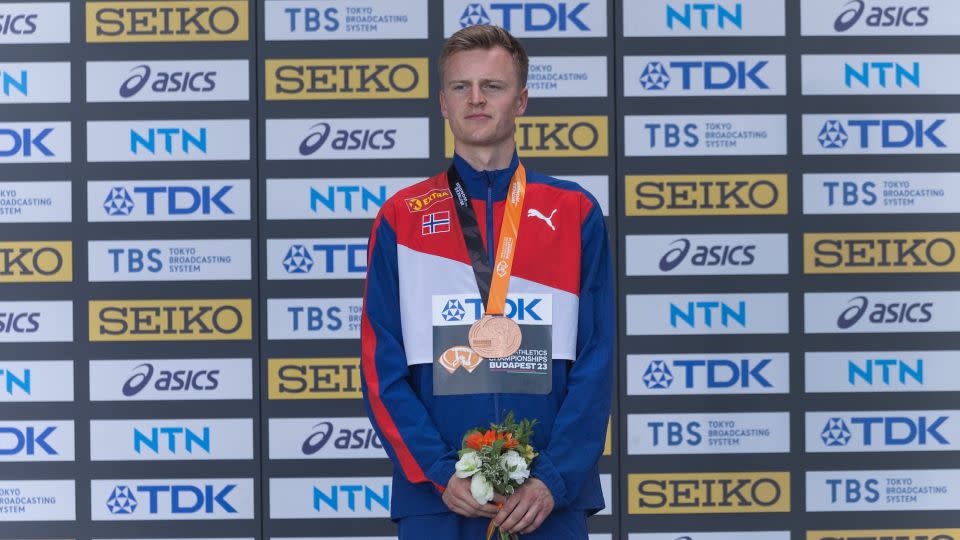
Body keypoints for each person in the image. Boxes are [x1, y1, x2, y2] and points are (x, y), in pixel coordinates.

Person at [361, 24, 613, 539]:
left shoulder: (574, 211)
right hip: (438, 497)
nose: (476, 99)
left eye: (492, 87)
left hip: (545, 499)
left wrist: (552, 478)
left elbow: (597, 359)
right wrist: (436, 470)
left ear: (521, 100)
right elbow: (378, 362)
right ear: (442, 103)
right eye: (461, 87)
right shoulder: (402, 216)